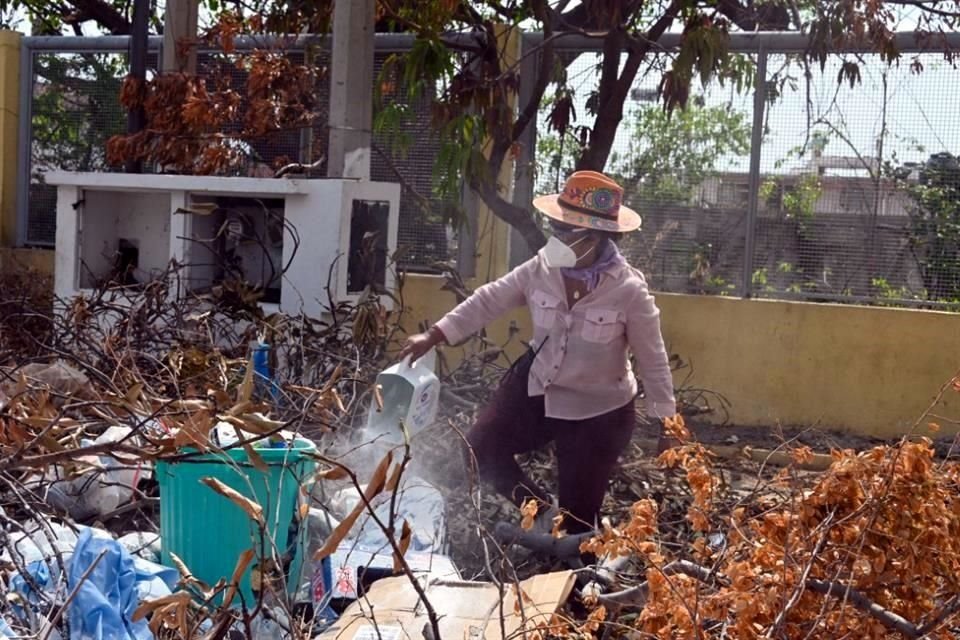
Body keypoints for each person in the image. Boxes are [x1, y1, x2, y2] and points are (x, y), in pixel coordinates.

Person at [400, 170, 677, 533]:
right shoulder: (541, 268)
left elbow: (653, 359)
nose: (557, 239)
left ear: (596, 238)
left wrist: (667, 425)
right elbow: (489, 300)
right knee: (479, 450)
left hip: (599, 412)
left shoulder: (628, 291)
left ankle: (574, 572)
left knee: (580, 522)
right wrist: (434, 336)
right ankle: (543, 515)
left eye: (568, 233)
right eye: (556, 228)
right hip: (537, 388)